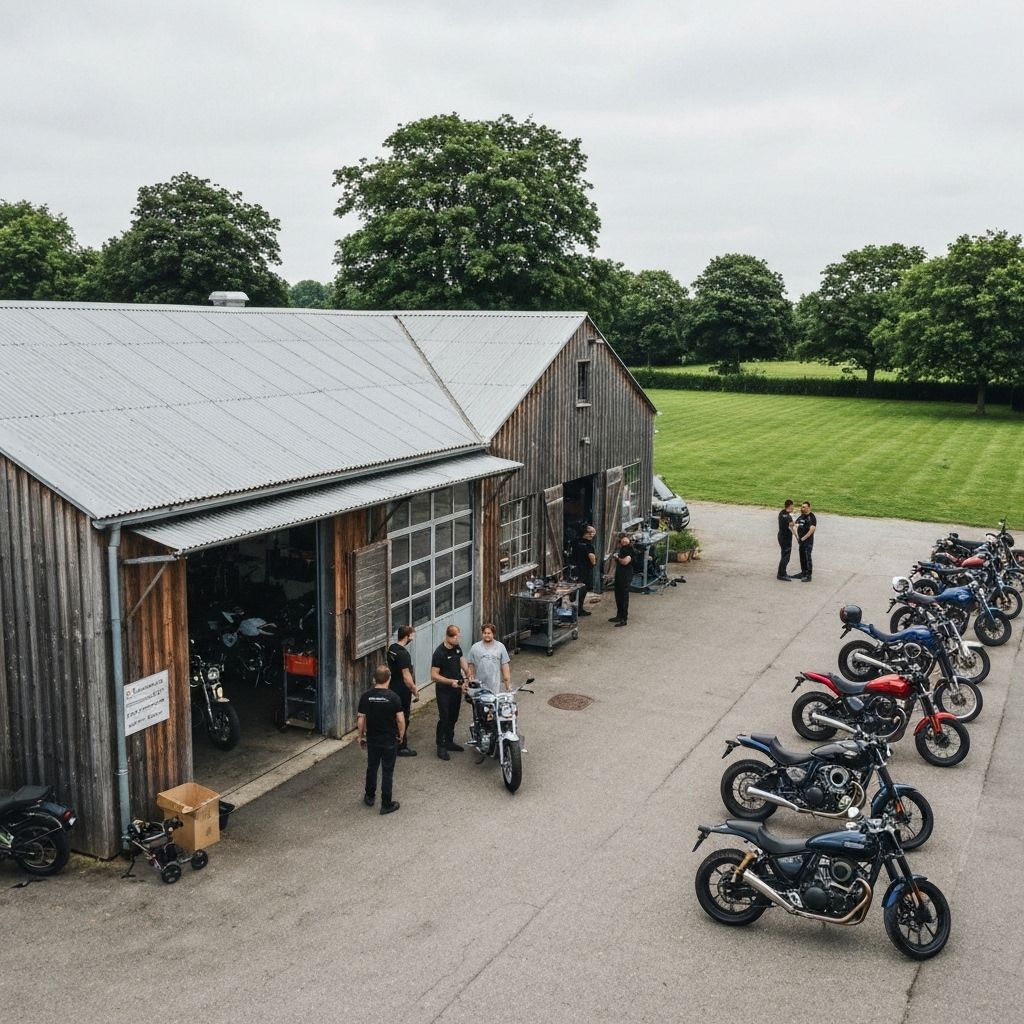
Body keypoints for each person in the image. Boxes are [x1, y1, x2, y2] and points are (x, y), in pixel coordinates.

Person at [356, 665, 405, 815]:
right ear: (389, 679)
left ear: (374, 679)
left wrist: (360, 736)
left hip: (373, 739)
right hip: (389, 739)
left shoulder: (366, 696)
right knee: (387, 771)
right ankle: (386, 803)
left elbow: (361, 719)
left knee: (372, 767)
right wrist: (401, 735)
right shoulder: (394, 697)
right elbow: (400, 720)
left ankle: (370, 796)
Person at [430, 624, 469, 760]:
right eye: (455, 638)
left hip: (456, 689)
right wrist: (450, 681)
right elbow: (434, 676)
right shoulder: (439, 653)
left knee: (454, 716)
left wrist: (468, 675)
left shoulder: (456, 648)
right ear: (448, 637)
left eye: (458, 637)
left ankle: (449, 741)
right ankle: (440, 745)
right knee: (444, 717)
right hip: (444, 690)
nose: (458, 640)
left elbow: (462, 661)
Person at [387, 624, 419, 756]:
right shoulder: (403, 654)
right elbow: (407, 677)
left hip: (393, 687)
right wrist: (415, 690)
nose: (413, 636)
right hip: (402, 690)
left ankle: (392, 742)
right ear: (407, 636)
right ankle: (401, 746)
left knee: (393, 717)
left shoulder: (392, 649)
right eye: (412, 634)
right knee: (403, 717)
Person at [466, 623, 512, 693]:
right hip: (479, 685)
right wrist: (470, 680)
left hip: (494, 686)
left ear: (493, 634)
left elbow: (505, 666)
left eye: (489, 633)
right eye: (485, 633)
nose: (486, 635)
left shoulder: (500, 647)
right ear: (482, 633)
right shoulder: (475, 647)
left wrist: (507, 685)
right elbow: (470, 665)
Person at [609, 532, 636, 627]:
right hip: (620, 574)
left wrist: (617, 558)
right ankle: (619, 615)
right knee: (618, 594)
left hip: (626, 574)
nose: (622, 542)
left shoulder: (630, 549)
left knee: (624, 596)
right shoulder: (621, 548)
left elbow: (625, 562)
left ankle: (624, 618)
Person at [572, 525, 598, 615]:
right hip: (585, 569)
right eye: (590, 533)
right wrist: (594, 563)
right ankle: (579, 609)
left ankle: (574, 608)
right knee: (583, 589)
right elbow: (591, 556)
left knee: (575, 589)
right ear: (584, 533)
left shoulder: (576, 541)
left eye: (593, 533)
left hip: (575, 568)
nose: (592, 535)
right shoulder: (588, 545)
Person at [796, 500, 817, 582]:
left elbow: (812, 530)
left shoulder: (811, 517)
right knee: (802, 557)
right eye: (802, 507)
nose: (802, 508)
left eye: (804, 507)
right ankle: (803, 573)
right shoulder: (802, 516)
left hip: (807, 542)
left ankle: (808, 576)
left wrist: (803, 538)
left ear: (808, 508)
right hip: (801, 541)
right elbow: (795, 523)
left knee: (807, 558)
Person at [777, 499, 797, 581]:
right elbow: (792, 524)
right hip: (786, 538)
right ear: (790, 506)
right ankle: (781, 574)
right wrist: (795, 518)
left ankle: (783, 572)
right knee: (786, 557)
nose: (793, 508)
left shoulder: (782, 513)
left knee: (783, 555)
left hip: (781, 536)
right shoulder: (788, 516)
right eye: (793, 506)